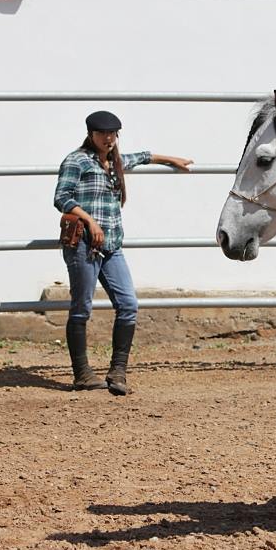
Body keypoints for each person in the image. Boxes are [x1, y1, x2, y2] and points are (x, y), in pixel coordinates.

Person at [54, 110, 193, 394]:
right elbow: (61, 197)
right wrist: (89, 220)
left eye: (113, 134)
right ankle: (82, 373)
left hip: (112, 246)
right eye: (104, 134)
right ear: (91, 134)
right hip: (83, 245)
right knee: (81, 307)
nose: (109, 139)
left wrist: (171, 160)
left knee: (128, 304)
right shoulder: (76, 161)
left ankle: (118, 371)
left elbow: (141, 157)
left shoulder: (115, 161)